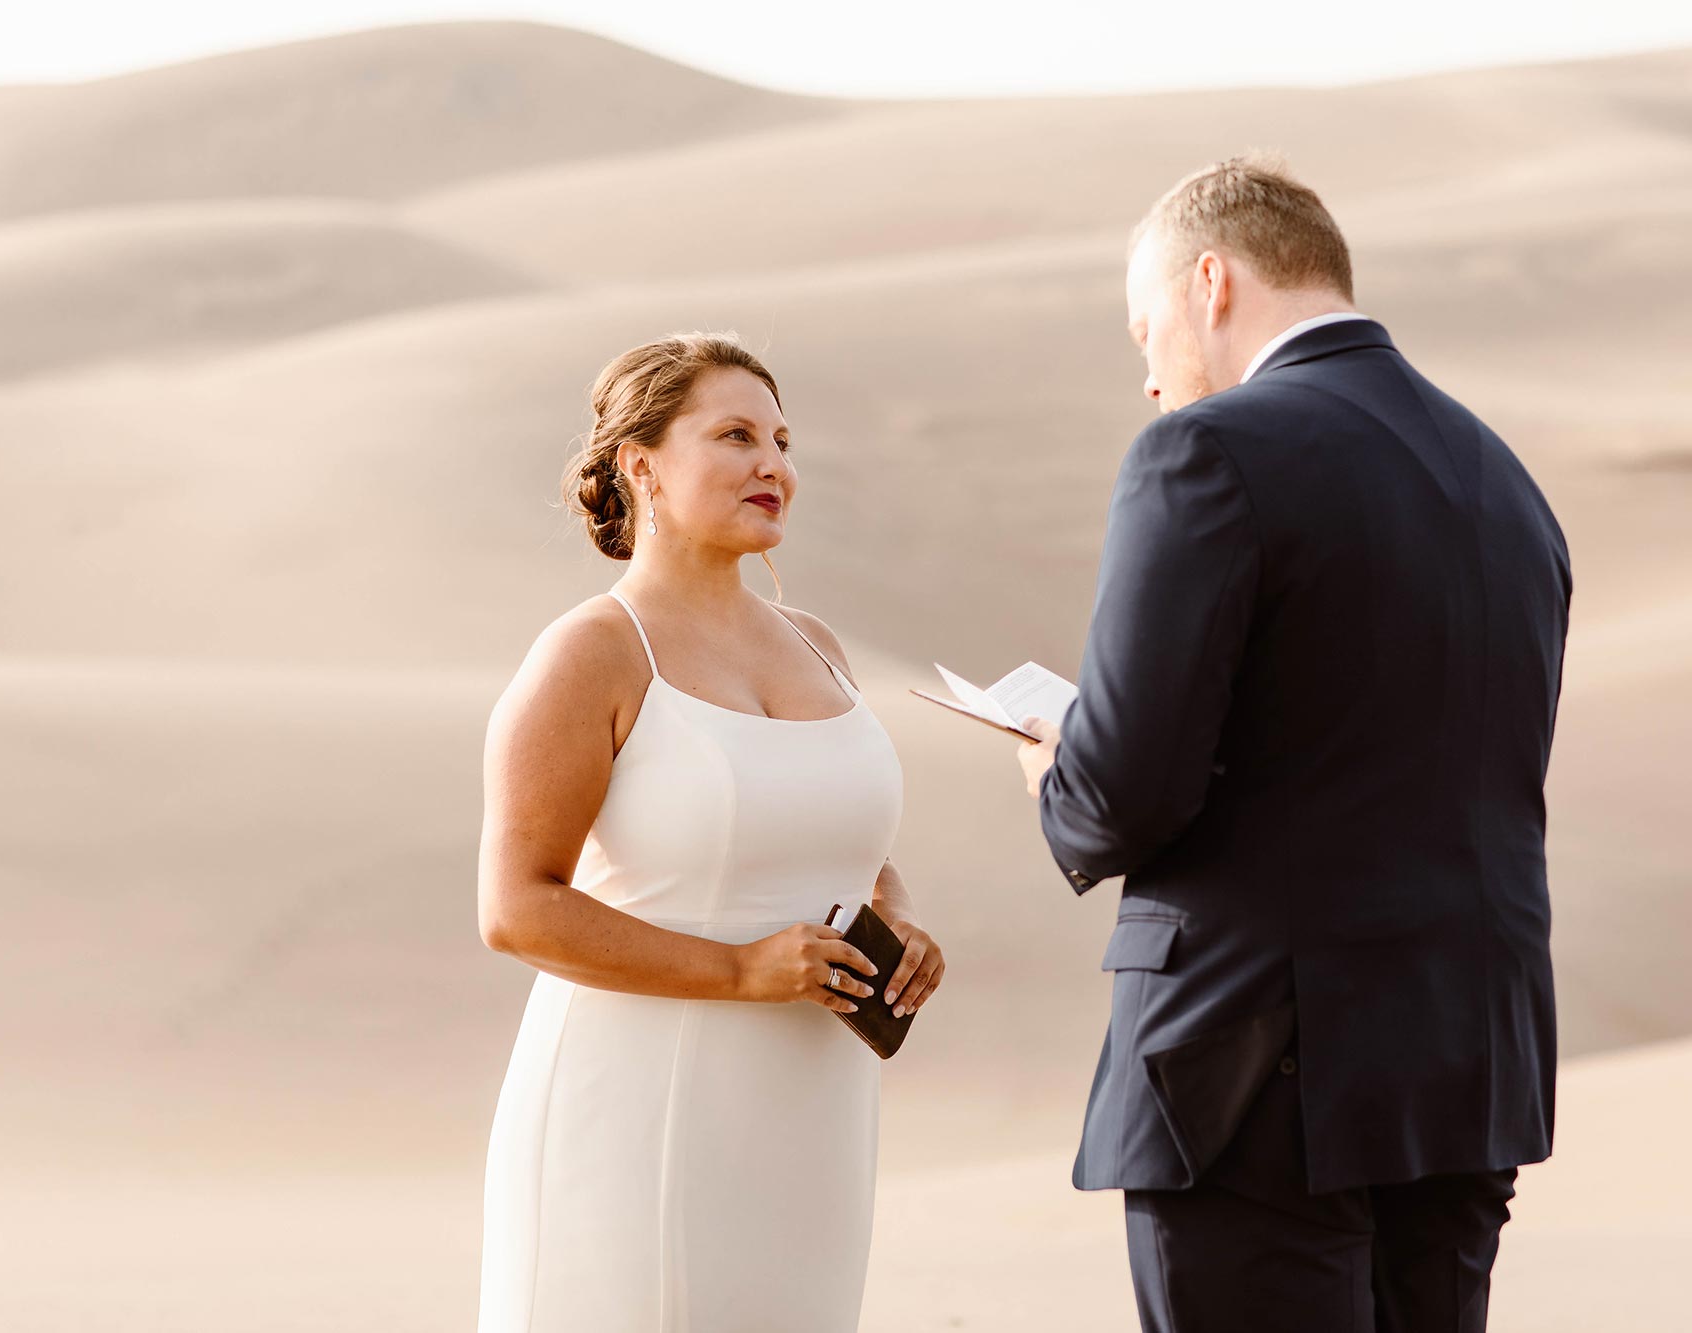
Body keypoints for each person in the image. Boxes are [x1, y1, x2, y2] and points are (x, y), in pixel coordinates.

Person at [1013, 157, 1571, 1333]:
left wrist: (1057, 769)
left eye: (1144, 326)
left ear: (1208, 282)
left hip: (1254, 1068)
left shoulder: (1205, 451)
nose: (1150, 376)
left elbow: (1124, 790)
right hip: (1466, 1059)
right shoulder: (1501, 480)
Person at [472, 332, 945, 1332]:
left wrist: (895, 920)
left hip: (812, 1117)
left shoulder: (813, 643)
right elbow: (516, 907)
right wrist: (738, 971)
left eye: (781, 439)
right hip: (635, 1108)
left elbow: (839, 833)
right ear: (640, 463)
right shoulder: (592, 652)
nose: (773, 464)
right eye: (734, 435)